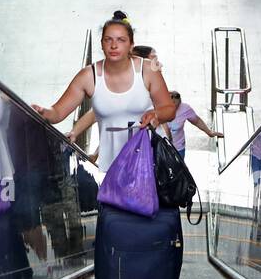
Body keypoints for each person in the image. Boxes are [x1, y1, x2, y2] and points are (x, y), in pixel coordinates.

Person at [31, 11, 175, 171]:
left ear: (131, 45)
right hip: (112, 169)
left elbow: (169, 110)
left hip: (150, 165)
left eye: (121, 40)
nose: (114, 46)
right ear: (102, 43)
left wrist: (156, 115)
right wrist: (43, 112)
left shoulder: (147, 70)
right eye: (108, 40)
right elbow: (57, 112)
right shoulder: (88, 76)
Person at [166, 91, 223, 159]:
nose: (175, 108)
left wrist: (209, 132)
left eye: (177, 105)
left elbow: (197, 121)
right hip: (160, 148)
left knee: (178, 169)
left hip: (178, 148)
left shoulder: (184, 108)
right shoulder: (156, 108)